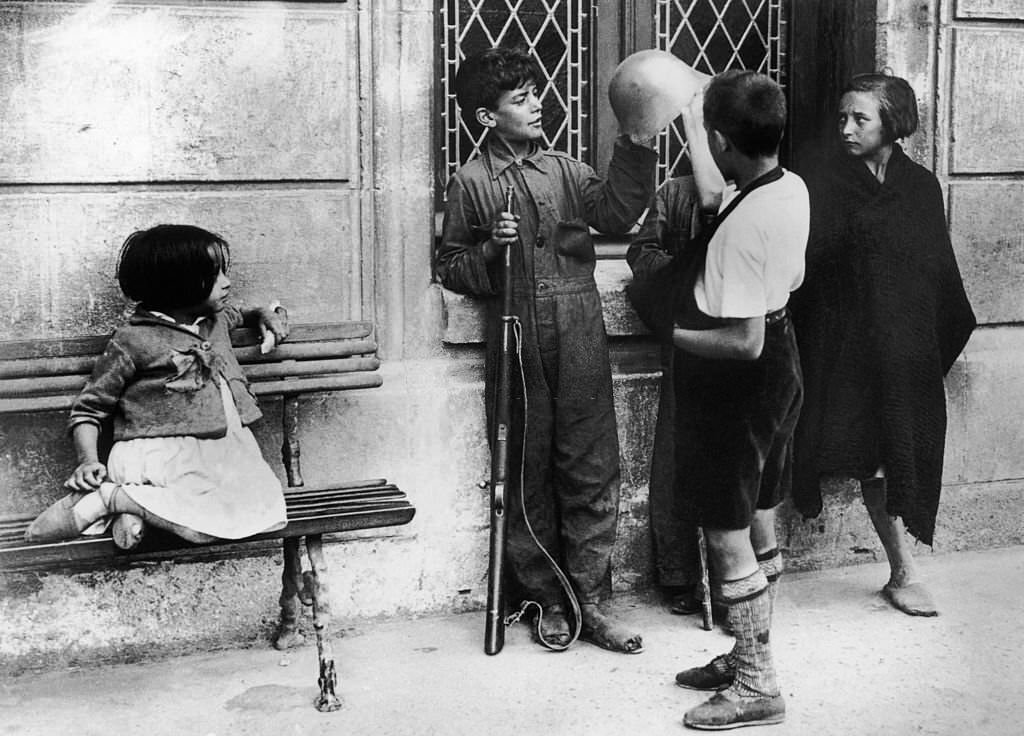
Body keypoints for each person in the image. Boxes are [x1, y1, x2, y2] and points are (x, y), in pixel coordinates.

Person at [436, 46, 657, 653]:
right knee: (526, 471)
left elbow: (616, 211)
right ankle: (546, 600)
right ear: (487, 117)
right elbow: (450, 265)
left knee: (590, 466)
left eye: (538, 93)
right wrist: (487, 251)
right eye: (522, 98)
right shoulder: (471, 183)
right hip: (516, 335)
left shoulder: (565, 169)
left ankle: (593, 600)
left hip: (580, 325)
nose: (539, 105)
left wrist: (636, 144)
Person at [790, 73, 975, 617]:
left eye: (860, 119)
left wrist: (921, 348)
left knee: (896, 454)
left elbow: (936, 275)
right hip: (840, 350)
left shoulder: (920, 188)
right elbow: (809, 268)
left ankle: (902, 570)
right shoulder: (820, 183)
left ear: (892, 123)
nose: (846, 128)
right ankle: (901, 571)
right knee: (866, 459)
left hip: (903, 350)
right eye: (842, 117)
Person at [665, 70, 808, 730]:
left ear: (729, 141)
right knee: (758, 520)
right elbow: (721, 195)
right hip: (785, 366)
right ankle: (745, 653)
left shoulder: (746, 226)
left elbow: (742, 344)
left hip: (743, 382)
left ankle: (756, 684)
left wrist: (674, 332)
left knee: (725, 532)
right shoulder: (784, 186)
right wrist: (695, 129)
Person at [25, 224, 290, 550]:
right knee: (216, 521)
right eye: (215, 275)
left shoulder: (215, 320)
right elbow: (89, 409)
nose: (228, 283)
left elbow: (244, 314)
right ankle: (109, 498)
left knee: (267, 509)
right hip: (163, 455)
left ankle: (134, 509)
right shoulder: (134, 339)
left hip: (221, 454)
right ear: (179, 285)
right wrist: (87, 460)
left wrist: (266, 313)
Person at [627, 97, 725, 617]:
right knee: (676, 458)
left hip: (741, 349)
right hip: (687, 346)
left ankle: (739, 577)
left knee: (733, 468)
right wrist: (680, 275)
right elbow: (641, 252)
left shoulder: (760, 193)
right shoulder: (675, 192)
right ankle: (680, 575)